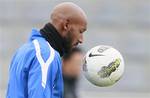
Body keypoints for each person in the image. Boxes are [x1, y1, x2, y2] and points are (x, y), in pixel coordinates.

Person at [6, 2, 87, 98]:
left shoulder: (24, 50)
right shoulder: (47, 54)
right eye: (80, 31)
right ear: (66, 25)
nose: (81, 39)